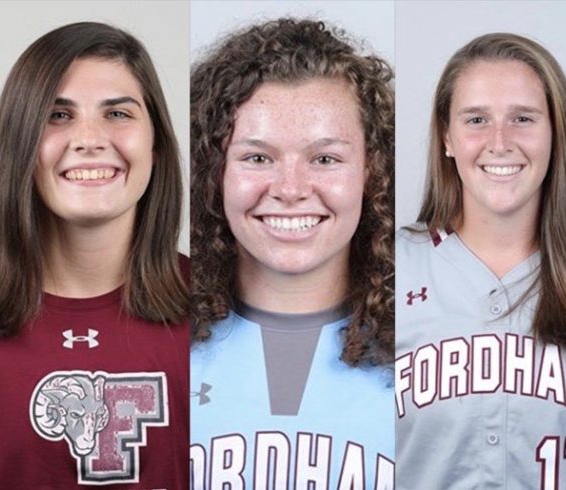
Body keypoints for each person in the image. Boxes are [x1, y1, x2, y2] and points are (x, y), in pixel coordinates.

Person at [188, 18, 395, 489]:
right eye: (257, 157)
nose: (290, 190)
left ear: (373, 170)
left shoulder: (426, 352)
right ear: (213, 172)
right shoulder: (158, 342)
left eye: (325, 158)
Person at [0, 22, 189, 488]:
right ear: (21, 144)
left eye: (118, 114)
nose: (90, 138)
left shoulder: (222, 313)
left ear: (155, 144)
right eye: (58, 115)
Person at [394, 33, 566, 489]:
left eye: (523, 118)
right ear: (446, 137)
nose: (499, 141)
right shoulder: (388, 269)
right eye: (476, 119)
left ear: (556, 133)